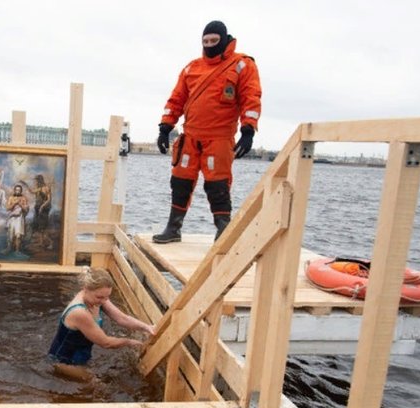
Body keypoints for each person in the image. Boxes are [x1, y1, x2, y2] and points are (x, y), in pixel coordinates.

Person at [153, 20, 262, 243]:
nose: (210, 45)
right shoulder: (191, 68)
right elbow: (176, 99)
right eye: (206, 41)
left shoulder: (242, 65)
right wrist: (165, 127)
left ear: (225, 39)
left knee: (218, 185)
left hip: (219, 138)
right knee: (180, 182)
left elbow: (251, 97)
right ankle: (173, 228)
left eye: (214, 41)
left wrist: (248, 130)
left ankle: (223, 230)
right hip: (190, 136)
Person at [48, 268, 155, 381]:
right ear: (85, 289)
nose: (104, 301)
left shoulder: (98, 298)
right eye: (100, 297)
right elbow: (106, 343)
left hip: (81, 355)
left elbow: (122, 318)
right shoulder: (79, 313)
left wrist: (146, 327)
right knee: (96, 384)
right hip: (63, 362)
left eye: (107, 297)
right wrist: (128, 342)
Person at [29, 174, 53, 250]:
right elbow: (32, 191)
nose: (35, 182)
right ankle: (41, 243)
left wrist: (42, 206)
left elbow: (49, 200)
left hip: (44, 209)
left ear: (39, 180)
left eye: (36, 180)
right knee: (39, 228)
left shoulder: (46, 188)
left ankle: (50, 243)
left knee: (43, 227)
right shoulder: (39, 189)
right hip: (38, 208)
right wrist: (25, 184)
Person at [4, 184, 29, 254]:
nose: (17, 191)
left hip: (20, 218)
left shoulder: (24, 198)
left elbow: (26, 210)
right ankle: (8, 248)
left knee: (18, 234)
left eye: (19, 190)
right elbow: (7, 208)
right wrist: (14, 203)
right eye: (16, 190)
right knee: (10, 234)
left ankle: (17, 250)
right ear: (14, 190)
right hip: (12, 218)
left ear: (21, 191)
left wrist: (20, 204)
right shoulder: (11, 198)